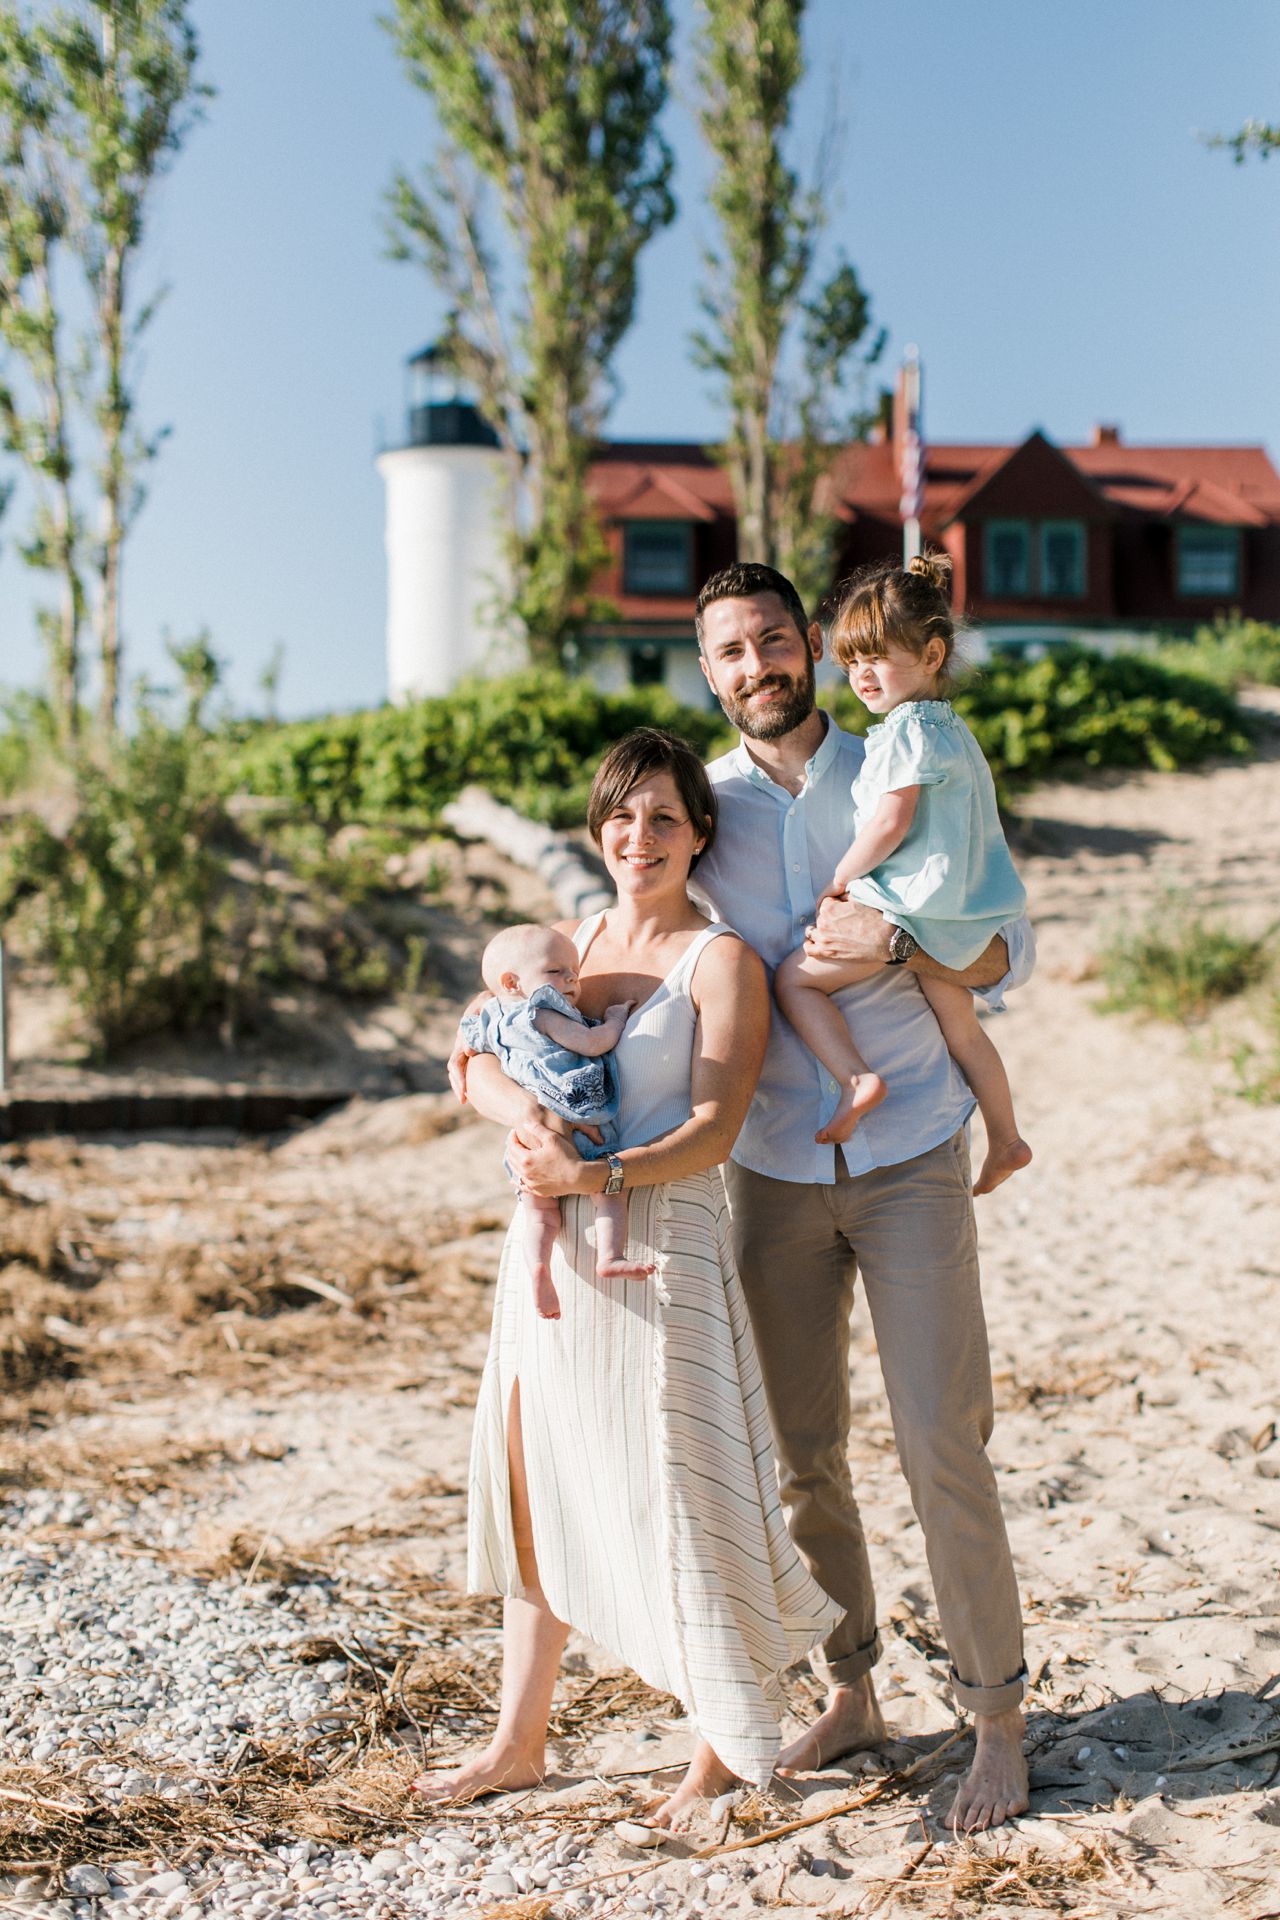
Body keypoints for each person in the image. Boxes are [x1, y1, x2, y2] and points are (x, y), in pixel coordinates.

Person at [428, 727, 842, 1821]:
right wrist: (527, 1125)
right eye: (621, 814)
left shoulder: (721, 962)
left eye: (663, 815)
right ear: (596, 829)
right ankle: (519, 1737)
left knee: (685, 1484)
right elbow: (467, 1056)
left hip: (662, 1244)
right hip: (549, 1248)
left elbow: (714, 1127)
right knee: (536, 1475)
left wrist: (592, 1164)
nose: (639, 834)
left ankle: (717, 1740)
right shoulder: (556, 947)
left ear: (698, 835)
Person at [689, 560, 1034, 1835]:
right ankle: (855, 1691)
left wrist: (899, 943)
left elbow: (1006, 940)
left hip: (908, 1155)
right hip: (768, 1169)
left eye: (772, 640)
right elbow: (638, 929)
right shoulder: (701, 806)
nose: (754, 666)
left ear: (811, 650)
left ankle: (995, 1721)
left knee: (944, 1441)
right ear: (710, 669)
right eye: (729, 651)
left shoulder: (905, 755)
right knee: (801, 1460)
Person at [773, 552, 1031, 1196]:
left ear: (934, 655)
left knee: (795, 981)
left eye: (877, 657)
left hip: (909, 907)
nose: (861, 674)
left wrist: (841, 879)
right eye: (852, 659)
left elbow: (890, 822)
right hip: (958, 912)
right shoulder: (953, 730)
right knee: (963, 1033)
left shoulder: (902, 732)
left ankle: (857, 1078)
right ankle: (1006, 1137)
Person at [461, 921, 651, 1319]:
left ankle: (538, 1267)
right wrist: (615, 1020)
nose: (570, 979)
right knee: (609, 1190)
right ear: (512, 983)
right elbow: (591, 1043)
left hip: (528, 1145)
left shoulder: (490, 1018)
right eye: (555, 972)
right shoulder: (542, 1012)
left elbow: (467, 1048)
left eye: (574, 972)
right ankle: (611, 1255)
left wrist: (455, 1055)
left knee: (540, 1212)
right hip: (578, 1121)